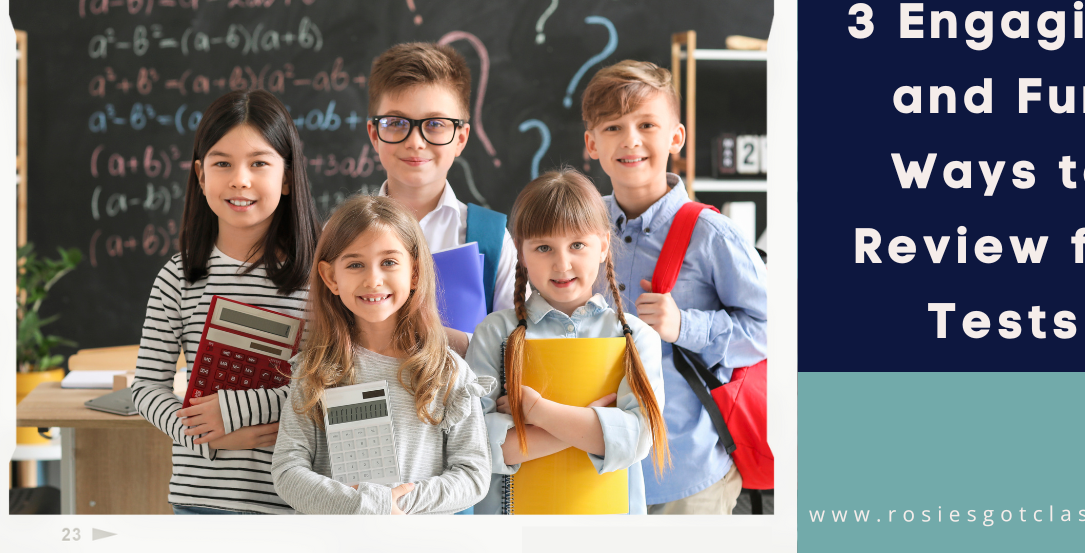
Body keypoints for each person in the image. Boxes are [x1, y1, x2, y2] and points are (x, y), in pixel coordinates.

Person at [581, 61, 768, 514]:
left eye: (647, 124)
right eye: (613, 127)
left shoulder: (711, 234)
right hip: (595, 468)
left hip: (686, 475)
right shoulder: (581, 226)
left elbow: (770, 331)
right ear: (591, 144)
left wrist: (685, 324)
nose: (631, 140)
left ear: (675, 137)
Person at [131, 89, 322, 514]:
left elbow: (331, 384)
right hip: (200, 500)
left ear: (287, 176)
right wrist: (206, 432)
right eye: (222, 163)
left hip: (294, 503)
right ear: (200, 176)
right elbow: (146, 387)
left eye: (259, 163)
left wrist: (234, 409)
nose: (240, 179)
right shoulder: (177, 278)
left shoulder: (320, 282)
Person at [465, 169, 668, 514]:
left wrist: (536, 412)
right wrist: (594, 422)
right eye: (544, 247)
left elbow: (637, 439)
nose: (562, 263)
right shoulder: (494, 334)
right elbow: (479, 445)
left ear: (603, 245)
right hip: (513, 532)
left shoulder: (636, 337)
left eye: (577, 245)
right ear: (521, 252)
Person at [271, 195, 490, 514]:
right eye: (355, 264)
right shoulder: (313, 371)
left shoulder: (448, 372)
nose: (373, 279)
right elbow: (288, 473)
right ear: (331, 277)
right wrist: (365, 505)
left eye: (389, 262)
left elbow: (473, 475)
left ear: (414, 273)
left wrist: (397, 504)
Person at [367, 42, 518, 354]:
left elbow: (517, 348)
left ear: (461, 138)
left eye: (435, 124)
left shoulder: (491, 239)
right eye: (396, 123)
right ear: (373, 133)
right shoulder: (338, 236)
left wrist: (438, 337)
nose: (415, 142)